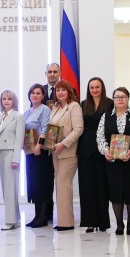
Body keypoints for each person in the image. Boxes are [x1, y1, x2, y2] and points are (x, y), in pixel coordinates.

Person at [97, 86, 130, 235]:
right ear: (113, 100)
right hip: (112, 162)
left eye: (123, 97)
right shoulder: (106, 116)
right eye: (117, 97)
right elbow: (100, 137)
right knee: (115, 192)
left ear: (128, 98)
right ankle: (119, 224)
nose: (120, 99)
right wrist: (105, 151)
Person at [48, 80, 84, 231]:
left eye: (63, 90)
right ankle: (62, 219)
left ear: (69, 91)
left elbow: (78, 129)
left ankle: (67, 222)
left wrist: (63, 144)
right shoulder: (55, 107)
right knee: (60, 185)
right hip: (55, 151)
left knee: (64, 185)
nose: (60, 93)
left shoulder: (74, 107)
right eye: (58, 90)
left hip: (68, 151)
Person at [78, 77, 112, 233]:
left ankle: (103, 222)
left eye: (97, 87)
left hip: (104, 148)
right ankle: (90, 221)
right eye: (91, 87)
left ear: (102, 88)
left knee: (102, 186)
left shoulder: (110, 103)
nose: (94, 90)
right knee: (87, 186)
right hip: (86, 148)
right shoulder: (83, 104)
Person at [23, 84, 54, 228]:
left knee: (43, 184)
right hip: (30, 153)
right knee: (34, 184)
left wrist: (38, 146)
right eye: (33, 93)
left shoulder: (45, 109)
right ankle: (36, 216)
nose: (35, 95)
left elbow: (45, 128)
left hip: (40, 153)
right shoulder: (27, 112)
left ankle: (43, 217)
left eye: (38, 93)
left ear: (43, 96)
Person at [0, 90, 24, 230]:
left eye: (9, 99)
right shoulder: (1, 117)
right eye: (4, 99)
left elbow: (19, 139)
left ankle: (10, 220)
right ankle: (15, 218)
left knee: (11, 187)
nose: (6, 101)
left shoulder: (18, 116)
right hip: (0, 152)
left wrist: (16, 158)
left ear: (14, 101)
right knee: (6, 187)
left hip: (11, 152)